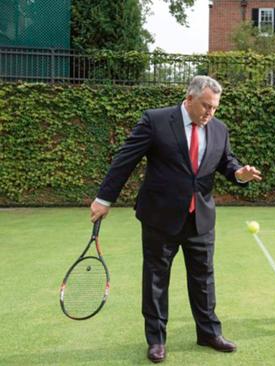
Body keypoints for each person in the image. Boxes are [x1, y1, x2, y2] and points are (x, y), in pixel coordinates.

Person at [89, 75, 261, 363]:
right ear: (189, 98)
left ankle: (208, 333)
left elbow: (226, 162)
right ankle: (156, 340)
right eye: (206, 106)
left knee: (204, 278)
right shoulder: (155, 121)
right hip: (160, 217)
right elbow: (125, 159)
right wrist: (104, 199)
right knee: (156, 279)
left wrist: (239, 174)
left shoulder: (219, 129)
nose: (210, 113)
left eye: (215, 108)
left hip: (201, 218)